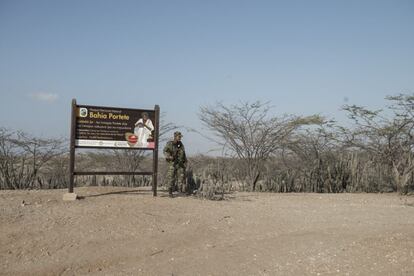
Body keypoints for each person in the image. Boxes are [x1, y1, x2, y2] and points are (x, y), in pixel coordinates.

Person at [163, 131, 187, 197]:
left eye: (180, 137)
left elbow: (183, 153)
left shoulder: (180, 144)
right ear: (175, 137)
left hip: (180, 163)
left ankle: (180, 191)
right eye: (179, 137)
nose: (180, 138)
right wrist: (169, 156)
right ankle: (170, 192)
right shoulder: (170, 143)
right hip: (173, 163)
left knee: (181, 177)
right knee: (171, 177)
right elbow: (165, 151)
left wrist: (185, 161)